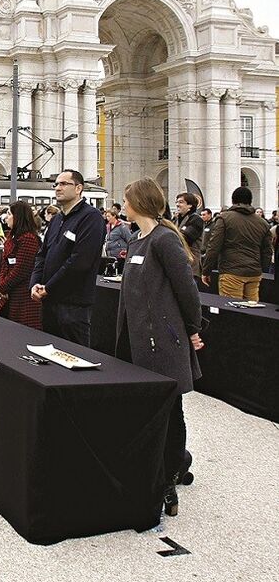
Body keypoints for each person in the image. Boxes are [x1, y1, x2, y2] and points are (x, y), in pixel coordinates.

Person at [115, 177, 204, 518]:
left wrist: (193, 329)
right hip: (136, 339)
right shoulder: (136, 239)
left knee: (171, 409)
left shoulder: (164, 239)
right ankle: (166, 464)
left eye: (127, 200)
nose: (123, 205)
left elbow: (187, 290)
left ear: (140, 202)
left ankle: (170, 474)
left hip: (162, 341)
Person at [30, 170, 105, 346]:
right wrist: (35, 283)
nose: (58, 188)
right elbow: (42, 255)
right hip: (49, 302)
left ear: (78, 188)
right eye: (56, 184)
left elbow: (80, 262)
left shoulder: (91, 217)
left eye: (64, 184)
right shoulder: (56, 219)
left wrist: (49, 287)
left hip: (73, 306)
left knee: (74, 355)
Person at [201, 186, 272, 301]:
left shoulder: (224, 218)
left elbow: (214, 246)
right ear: (250, 201)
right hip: (254, 272)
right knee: (252, 308)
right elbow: (267, 251)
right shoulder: (263, 223)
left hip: (231, 271)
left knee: (231, 308)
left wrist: (206, 270)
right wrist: (262, 269)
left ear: (233, 200)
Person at [0, 201, 42, 329]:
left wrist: (2, 287)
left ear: (18, 217)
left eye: (9, 214)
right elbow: (5, 264)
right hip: (9, 294)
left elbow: (21, 269)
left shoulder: (28, 239)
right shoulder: (11, 236)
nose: (6, 217)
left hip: (23, 297)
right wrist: (2, 285)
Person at [174, 192, 205, 284]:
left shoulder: (196, 220)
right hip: (177, 264)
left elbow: (186, 237)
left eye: (181, 202)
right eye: (177, 202)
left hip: (191, 265)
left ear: (190, 205)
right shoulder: (176, 219)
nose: (177, 204)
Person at [104, 206, 132, 274]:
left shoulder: (122, 227)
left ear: (114, 216)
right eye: (106, 216)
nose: (107, 218)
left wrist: (127, 252)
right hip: (110, 256)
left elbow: (130, 239)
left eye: (109, 216)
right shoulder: (107, 227)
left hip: (120, 256)